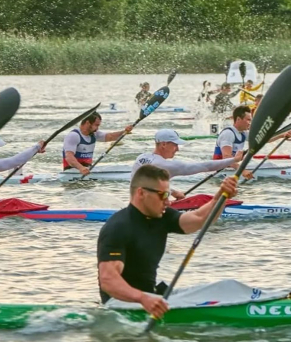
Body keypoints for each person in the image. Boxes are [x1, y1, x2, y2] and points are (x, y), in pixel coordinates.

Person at [97, 164, 238, 317]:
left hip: (151, 297)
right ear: (141, 193)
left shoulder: (162, 217)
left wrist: (220, 197)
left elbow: (199, 218)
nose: (168, 201)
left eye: (168, 194)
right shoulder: (117, 227)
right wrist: (143, 298)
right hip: (121, 307)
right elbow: (108, 281)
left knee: (225, 288)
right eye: (162, 195)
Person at [132, 129, 244, 200]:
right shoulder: (166, 166)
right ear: (164, 144)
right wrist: (233, 160)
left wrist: (173, 192)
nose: (177, 149)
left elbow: (146, 184)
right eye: (175, 145)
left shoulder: (141, 158)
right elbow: (205, 166)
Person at [63, 112, 133, 175]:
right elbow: (69, 157)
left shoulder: (94, 134)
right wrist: (81, 168)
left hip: (87, 170)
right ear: (88, 123)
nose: (97, 128)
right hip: (72, 172)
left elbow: (110, 136)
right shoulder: (73, 136)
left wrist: (124, 131)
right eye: (96, 125)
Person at [214, 106, 291, 160]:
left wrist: (282, 135)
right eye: (248, 120)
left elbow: (263, 139)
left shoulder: (243, 133)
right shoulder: (228, 134)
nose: (250, 123)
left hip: (232, 166)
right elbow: (226, 157)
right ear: (238, 119)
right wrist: (243, 171)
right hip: (221, 169)